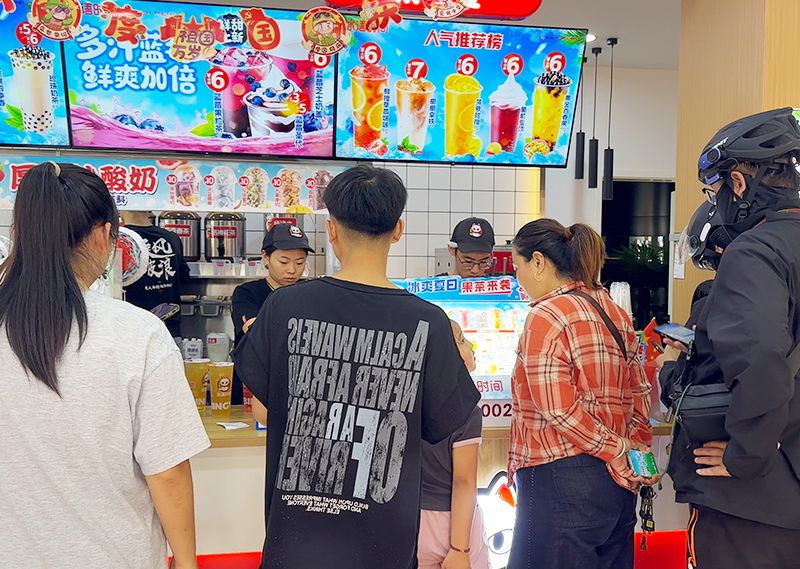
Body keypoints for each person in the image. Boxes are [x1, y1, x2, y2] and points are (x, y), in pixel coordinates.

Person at [233, 164, 480, 569]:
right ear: (398, 230)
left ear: (331, 231)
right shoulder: (430, 323)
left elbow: (262, 410)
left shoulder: (283, 306)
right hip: (385, 551)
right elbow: (440, 425)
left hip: (295, 549)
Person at [0, 162, 210, 569]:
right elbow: (166, 472)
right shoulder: (138, 332)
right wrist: (186, 563)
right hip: (115, 557)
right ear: (103, 236)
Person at [667, 108, 800, 569]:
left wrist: (746, 455)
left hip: (756, 507)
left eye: (716, 188)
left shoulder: (755, 251)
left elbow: (761, 359)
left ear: (738, 183)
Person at [506, 218, 655, 569]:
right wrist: (632, 450)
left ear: (538, 262)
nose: (517, 277)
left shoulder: (546, 315)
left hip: (559, 479)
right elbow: (640, 393)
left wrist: (616, 449)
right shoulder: (614, 312)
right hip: (617, 489)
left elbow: (558, 410)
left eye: (517, 266)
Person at [419, 320, 489, 569]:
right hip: (452, 523)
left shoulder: (406, 400)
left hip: (408, 521)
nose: (471, 346)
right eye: (461, 340)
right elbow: (464, 481)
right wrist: (460, 549)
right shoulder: (465, 409)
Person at [230, 222, 313, 404]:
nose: (292, 270)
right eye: (283, 262)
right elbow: (253, 329)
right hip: (252, 388)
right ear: (265, 257)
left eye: (300, 263)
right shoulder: (247, 293)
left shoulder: (311, 293)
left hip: (297, 386)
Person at [119, 210, 191, 341]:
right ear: (149, 210)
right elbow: (184, 277)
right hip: (170, 333)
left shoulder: (121, 239)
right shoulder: (172, 238)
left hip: (132, 334)